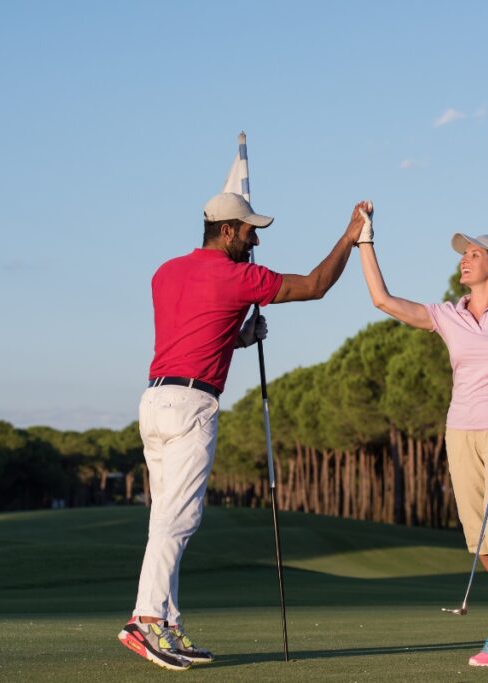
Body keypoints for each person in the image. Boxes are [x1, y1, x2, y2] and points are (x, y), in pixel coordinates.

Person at [118, 192, 368, 671]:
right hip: (193, 403)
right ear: (228, 231)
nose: (256, 240)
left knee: (164, 519)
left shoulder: (165, 272)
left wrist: (240, 337)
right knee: (180, 518)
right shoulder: (239, 276)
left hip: (154, 401)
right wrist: (349, 238)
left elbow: (197, 328)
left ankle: (166, 623)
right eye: (251, 231)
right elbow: (315, 285)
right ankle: (146, 619)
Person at [355, 203, 488, 667]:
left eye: (472, 254)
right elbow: (383, 301)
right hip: (459, 431)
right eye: (462, 254)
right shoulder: (447, 315)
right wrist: (366, 242)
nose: (463, 260)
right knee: (481, 541)